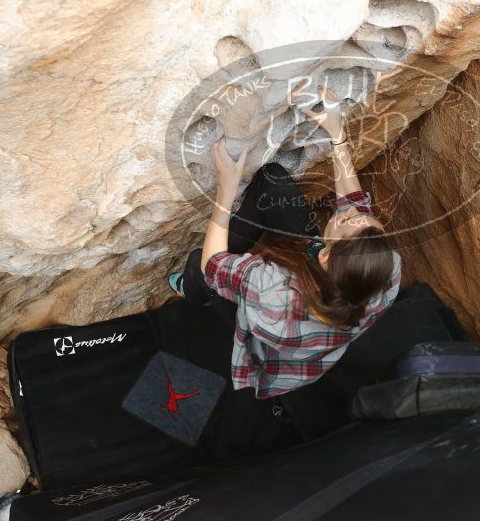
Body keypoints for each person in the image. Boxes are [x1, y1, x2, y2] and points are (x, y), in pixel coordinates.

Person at [168, 85, 402, 399]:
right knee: (273, 184)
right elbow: (356, 205)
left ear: (325, 256)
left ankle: (193, 292)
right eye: (369, 224)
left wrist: (226, 189)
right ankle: (232, 259)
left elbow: (213, 266)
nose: (352, 212)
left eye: (346, 221)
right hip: (313, 293)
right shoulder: (386, 272)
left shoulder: (276, 292)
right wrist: (337, 135)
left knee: (199, 267)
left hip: (270, 347)